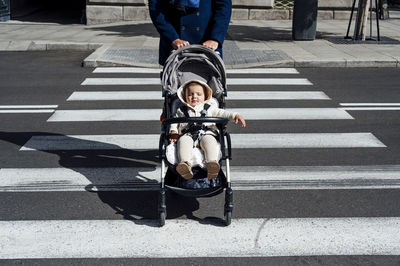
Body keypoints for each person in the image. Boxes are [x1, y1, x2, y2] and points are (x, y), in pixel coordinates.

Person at [169, 80, 246, 180]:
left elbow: (222, 113)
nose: (194, 97)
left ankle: (211, 163)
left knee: (209, 141)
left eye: (198, 94)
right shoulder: (181, 110)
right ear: (184, 97)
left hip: (206, 133)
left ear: (205, 96)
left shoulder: (210, 108)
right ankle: (185, 164)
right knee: (183, 142)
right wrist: (173, 131)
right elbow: (174, 122)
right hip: (187, 134)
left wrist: (234, 115)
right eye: (190, 94)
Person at [149, 0, 232, 65]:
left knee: (209, 84)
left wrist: (215, 38)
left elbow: (224, 8)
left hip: (207, 43)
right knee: (174, 84)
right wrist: (173, 38)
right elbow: (155, 8)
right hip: (175, 44)